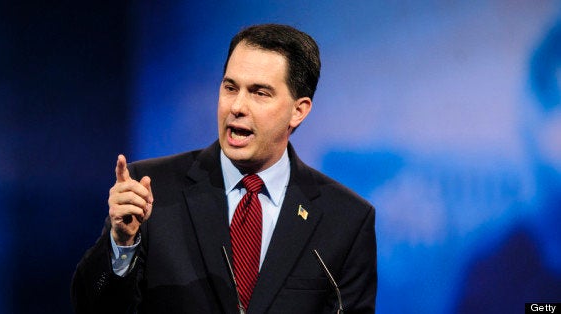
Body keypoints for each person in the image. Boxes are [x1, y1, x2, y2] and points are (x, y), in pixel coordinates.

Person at [71, 23, 377, 314]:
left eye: (259, 92)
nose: (237, 106)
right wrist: (121, 244)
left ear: (298, 110)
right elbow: (91, 308)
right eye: (231, 87)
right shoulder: (152, 190)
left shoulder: (346, 220)